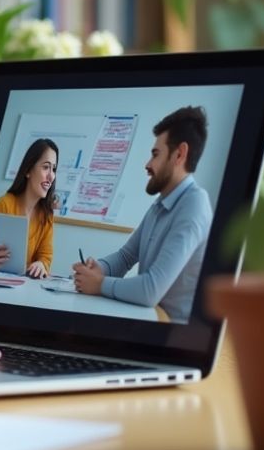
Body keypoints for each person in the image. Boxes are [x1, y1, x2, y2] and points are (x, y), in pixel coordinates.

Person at [72, 106, 212, 323]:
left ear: (179, 154)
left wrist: (99, 284)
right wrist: (99, 268)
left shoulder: (195, 204)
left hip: (172, 336)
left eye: (155, 154)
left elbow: (150, 290)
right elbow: (126, 256)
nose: (148, 165)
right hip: (148, 319)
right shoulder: (161, 204)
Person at [0, 138, 58, 279]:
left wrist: (42, 265)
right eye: (46, 167)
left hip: (25, 291)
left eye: (54, 169)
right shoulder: (6, 204)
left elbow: (46, 258)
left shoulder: (47, 214)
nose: (51, 176)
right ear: (28, 170)